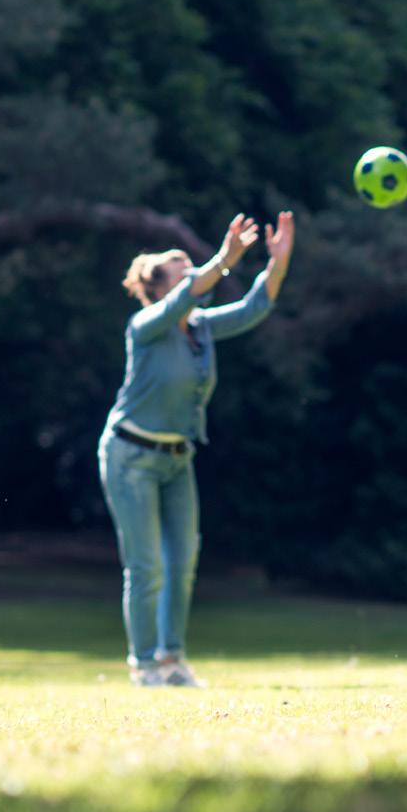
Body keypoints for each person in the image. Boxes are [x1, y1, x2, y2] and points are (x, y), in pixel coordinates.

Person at [99, 211, 295, 687]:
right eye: (182, 271)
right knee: (146, 567)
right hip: (130, 458)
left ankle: (172, 661)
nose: (193, 275)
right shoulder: (146, 325)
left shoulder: (201, 327)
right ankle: (144, 666)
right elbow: (191, 293)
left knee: (183, 563)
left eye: (195, 267)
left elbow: (254, 307)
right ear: (160, 288)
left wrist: (279, 262)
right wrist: (226, 259)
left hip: (177, 460)